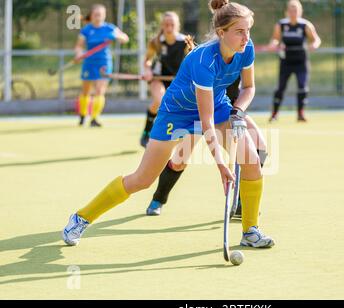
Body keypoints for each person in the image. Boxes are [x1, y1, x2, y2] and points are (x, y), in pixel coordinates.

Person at [62, 0, 275, 249]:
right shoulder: (203, 60)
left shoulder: (246, 49)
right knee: (143, 179)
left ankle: (250, 231)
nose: (246, 37)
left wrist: (238, 111)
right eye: (240, 31)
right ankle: (81, 217)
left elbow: (248, 88)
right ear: (221, 32)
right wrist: (221, 166)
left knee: (251, 163)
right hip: (177, 113)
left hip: (218, 106)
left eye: (248, 30)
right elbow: (204, 122)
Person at [145, 76, 268, 219]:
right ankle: (158, 199)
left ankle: (241, 201)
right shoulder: (207, 58)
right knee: (179, 161)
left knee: (260, 147)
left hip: (228, 110)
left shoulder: (243, 56)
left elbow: (246, 88)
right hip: (199, 112)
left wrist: (238, 111)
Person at [140, 11, 192, 147]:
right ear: (162, 25)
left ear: (177, 25)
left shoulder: (185, 41)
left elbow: (193, 61)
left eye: (172, 24)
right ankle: (147, 132)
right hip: (159, 78)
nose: (169, 28)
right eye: (166, 24)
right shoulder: (156, 42)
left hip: (178, 80)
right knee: (159, 101)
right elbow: (147, 61)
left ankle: (175, 133)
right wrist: (147, 71)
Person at [75, 4, 129, 127]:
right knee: (86, 91)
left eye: (100, 15)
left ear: (104, 16)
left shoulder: (110, 28)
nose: (98, 17)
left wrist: (117, 36)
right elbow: (79, 46)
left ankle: (94, 118)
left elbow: (125, 38)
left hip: (104, 62)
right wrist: (79, 54)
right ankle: (83, 115)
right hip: (89, 62)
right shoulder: (86, 30)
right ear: (92, 15)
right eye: (96, 14)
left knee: (100, 90)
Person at [268, 0, 321, 122]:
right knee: (280, 88)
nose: (293, 13)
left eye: (296, 10)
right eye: (291, 10)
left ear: (300, 12)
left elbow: (316, 40)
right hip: (285, 61)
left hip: (301, 62)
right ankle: (274, 114)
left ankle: (300, 114)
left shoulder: (305, 25)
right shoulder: (281, 25)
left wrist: (314, 45)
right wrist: (274, 45)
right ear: (286, 11)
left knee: (302, 87)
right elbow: (275, 40)